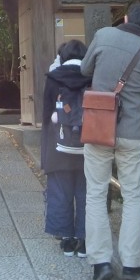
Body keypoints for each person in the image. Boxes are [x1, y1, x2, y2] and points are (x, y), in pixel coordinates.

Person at [80, 1, 140, 280]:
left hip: (99, 127)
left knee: (95, 193)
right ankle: (131, 263)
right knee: (132, 196)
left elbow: (84, 70)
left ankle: (100, 263)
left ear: (125, 17)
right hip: (133, 132)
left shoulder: (103, 35)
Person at [41, 39, 91, 257]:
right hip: (88, 144)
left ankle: (67, 240)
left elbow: (45, 114)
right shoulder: (93, 76)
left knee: (60, 192)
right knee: (86, 192)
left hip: (59, 145)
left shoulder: (54, 78)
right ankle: (84, 239)